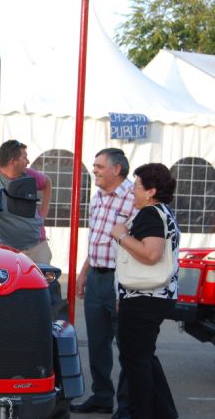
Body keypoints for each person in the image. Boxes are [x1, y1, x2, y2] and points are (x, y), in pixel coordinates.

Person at [109, 163, 179, 419]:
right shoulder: (161, 212)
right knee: (144, 359)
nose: (132, 192)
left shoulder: (151, 214)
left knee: (135, 363)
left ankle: (143, 413)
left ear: (150, 191)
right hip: (149, 297)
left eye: (136, 187)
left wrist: (120, 236)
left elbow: (151, 254)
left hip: (144, 298)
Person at [71, 148, 136, 418]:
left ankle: (128, 406)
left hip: (121, 281)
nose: (94, 170)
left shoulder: (135, 198)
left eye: (99, 166)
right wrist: (84, 271)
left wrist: (126, 288)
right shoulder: (97, 198)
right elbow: (98, 239)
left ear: (116, 169)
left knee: (127, 346)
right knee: (98, 343)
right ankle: (102, 397)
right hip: (97, 276)